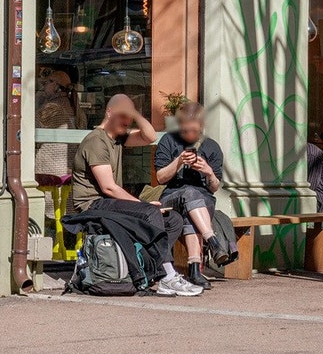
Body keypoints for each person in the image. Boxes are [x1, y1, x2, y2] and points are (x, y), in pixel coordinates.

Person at [66, 94, 201, 297]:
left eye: (128, 117)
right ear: (108, 113)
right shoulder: (96, 141)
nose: (126, 122)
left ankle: (148, 268)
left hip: (110, 203)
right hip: (92, 204)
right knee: (149, 213)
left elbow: (150, 136)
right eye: (122, 116)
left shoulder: (117, 138)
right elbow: (108, 188)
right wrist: (143, 204)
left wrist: (135, 112)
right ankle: (167, 276)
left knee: (173, 220)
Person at [152, 101, 233, 289]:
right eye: (185, 130)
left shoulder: (212, 147)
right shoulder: (168, 141)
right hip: (172, 196)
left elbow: (214, 187)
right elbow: (160, 178)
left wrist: (208, 172)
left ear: (202, 126)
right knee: (189, 193)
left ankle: (195, 271)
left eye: (194, 130)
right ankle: (212, 241)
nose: (189, 134)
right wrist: (178, 161)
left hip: (202, 202)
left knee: (192, 205)